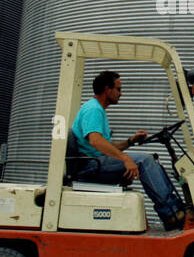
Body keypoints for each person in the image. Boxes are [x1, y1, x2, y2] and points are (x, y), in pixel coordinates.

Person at [71, 70, 186, 231]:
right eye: (118, 89)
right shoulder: (93, 109)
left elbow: (107, 147)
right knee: (144, 160)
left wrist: (131, 141)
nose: (121, 93)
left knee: (150, 159)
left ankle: (176, 209)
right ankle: (171, 214)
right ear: (107, 89)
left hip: (96, 162)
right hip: (89, 167)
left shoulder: (98, 110)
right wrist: (125, 159)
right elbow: (96, 141)